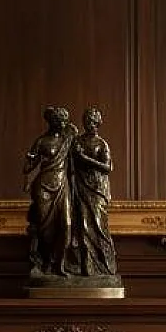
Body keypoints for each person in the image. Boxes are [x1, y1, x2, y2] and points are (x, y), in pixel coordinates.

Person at [24, 106, 76, 276]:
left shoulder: (68, 140)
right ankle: (47, 262)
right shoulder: (41, 142)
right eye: (59, 120)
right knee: (45, 228)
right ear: (51, 122)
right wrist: (30, 159)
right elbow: (28, 168)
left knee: (67, 225)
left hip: (62, 185)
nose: (62, 124)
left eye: (64, 121)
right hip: (43, 187)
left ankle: (61, 264)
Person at [70, 107, 118, 277]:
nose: (90, 124)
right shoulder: (77, 142)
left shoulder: (101, 144)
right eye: (87, 121)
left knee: (98, 225)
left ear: (98, 123)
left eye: (93, 121)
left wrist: (86, 159)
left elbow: (108, 167)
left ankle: (104, 265)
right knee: (82, 225)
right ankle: (86, 266)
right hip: (81, 187)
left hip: (97, 189)